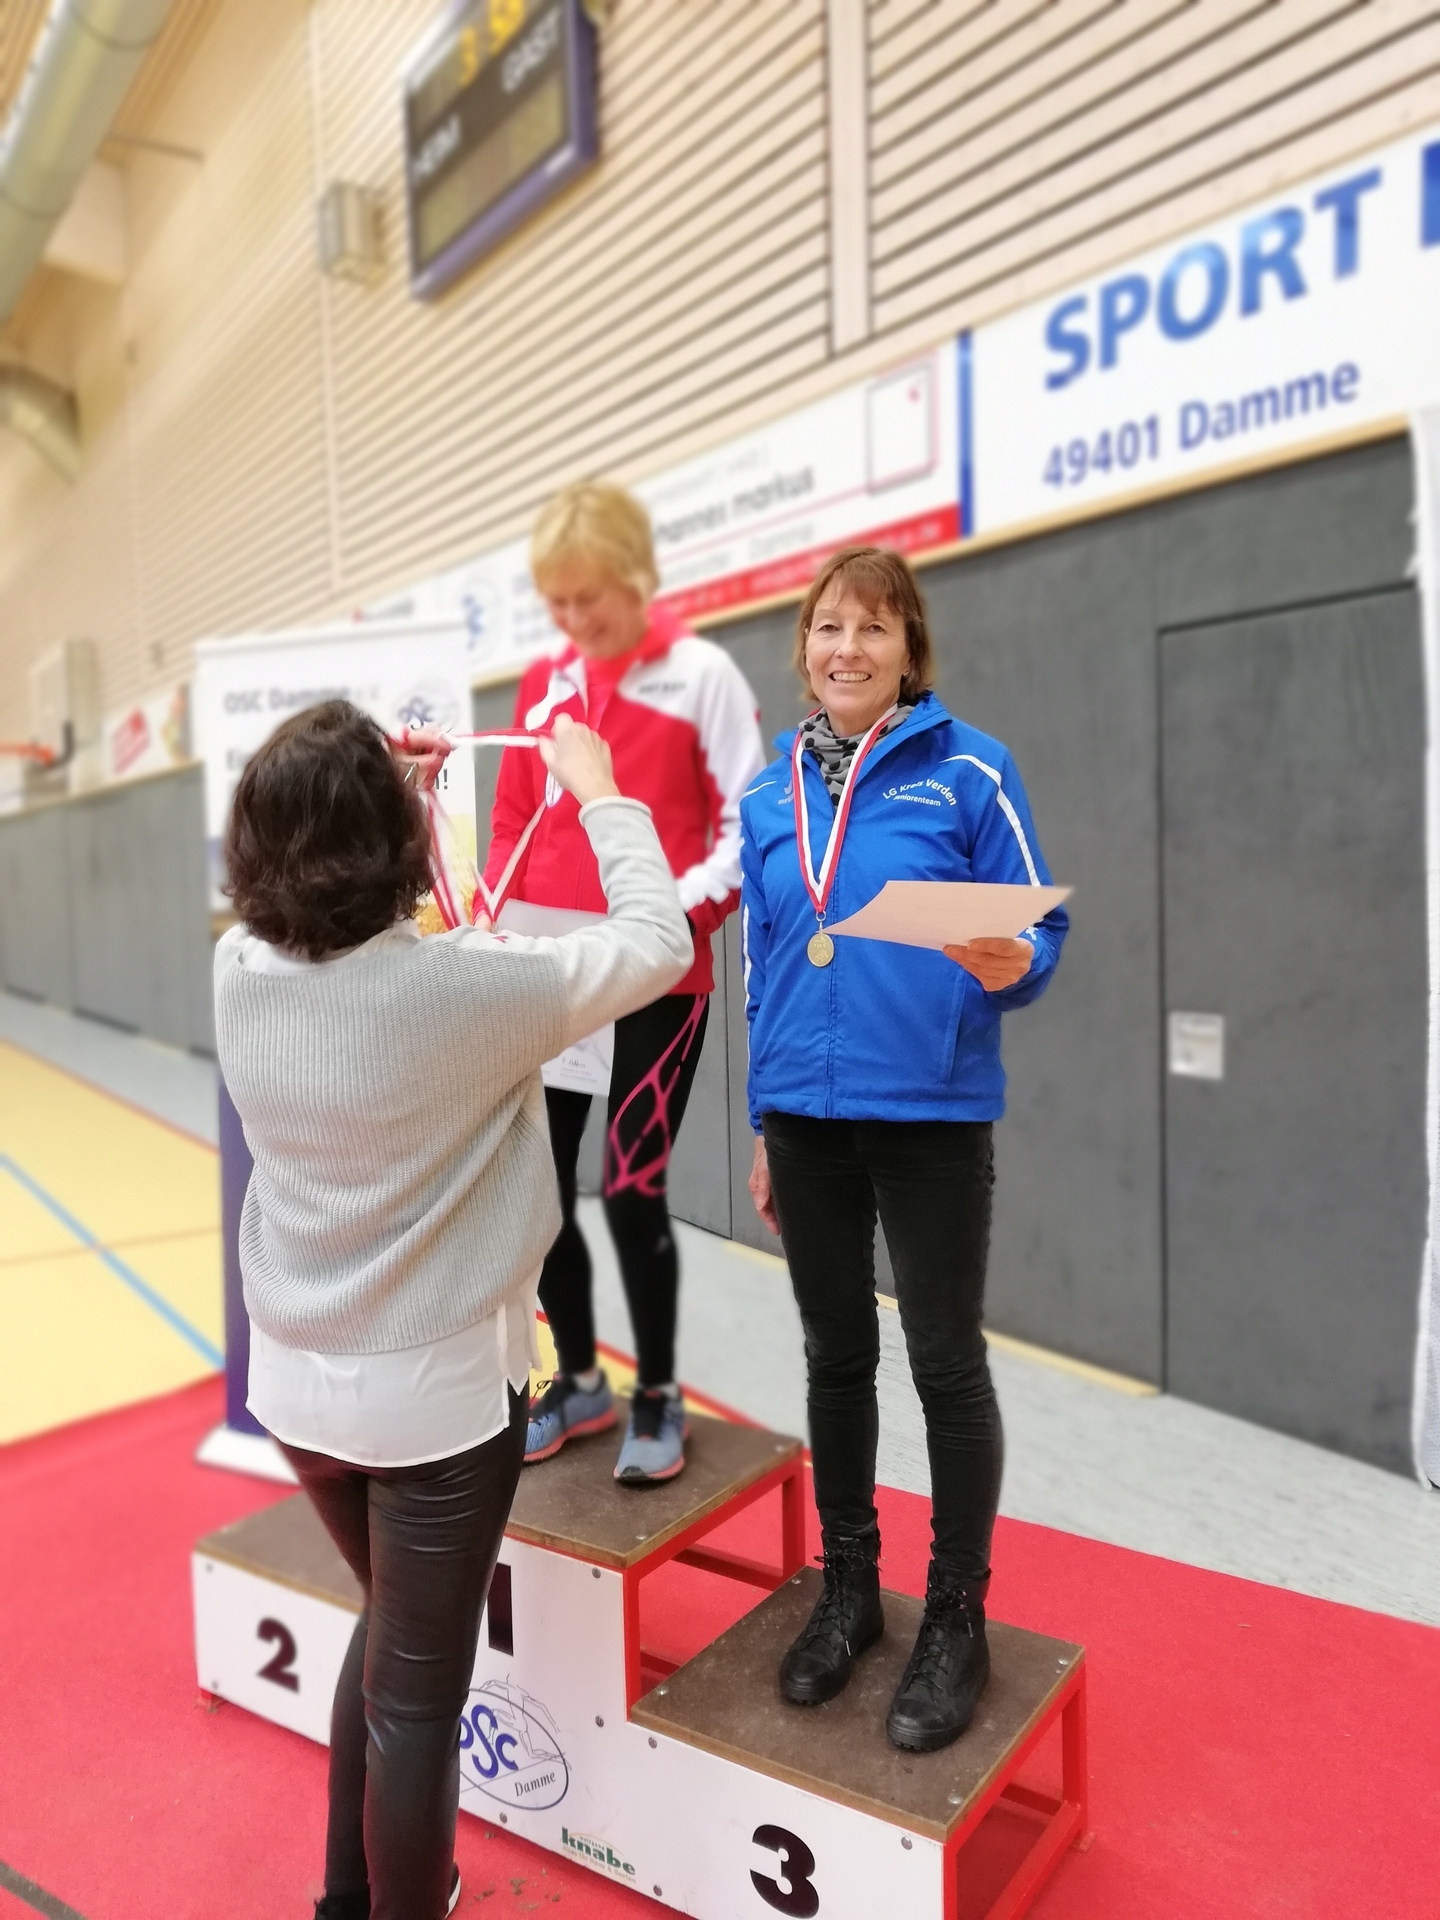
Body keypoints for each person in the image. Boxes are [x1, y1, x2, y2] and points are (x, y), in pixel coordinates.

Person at [214, 700, 691, 1920]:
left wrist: (399, 808)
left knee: (390, 1636)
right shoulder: (472, 991)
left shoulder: (235, 968)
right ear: (387, 847)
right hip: (433, 1401)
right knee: (419, 1697)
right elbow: (658, 941)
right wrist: (599, 790)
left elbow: (347, 925)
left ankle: (344, 1898)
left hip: (298, 1383)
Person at [740, 546, 1068, 1754]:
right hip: (808, 1121)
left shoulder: (973, 771)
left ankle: (954, 1617)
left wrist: (1017, 961)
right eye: (830, 628)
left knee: (944, 1364)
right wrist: (764, 1123)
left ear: (908, 651)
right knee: (835, 1359)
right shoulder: (768, 796)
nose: (848, 650)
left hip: (930, 1114)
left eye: (874, 630)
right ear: (806, 647)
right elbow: (763, 963)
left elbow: (1042, 929)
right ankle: (847, 1591)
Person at [483, 481, 765, 1484]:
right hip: (555, 974)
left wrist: (671, 921)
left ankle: (657, 1394)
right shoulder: (543, 681)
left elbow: (747, 830)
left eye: (590, 599)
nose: (574, 623)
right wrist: (497, 929)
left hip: (658, 977)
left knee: (634, 1191)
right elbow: (514, 819)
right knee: (540, 1192)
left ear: (639, 576)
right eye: (556, 604)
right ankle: (580, 1381)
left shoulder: (703, 678)